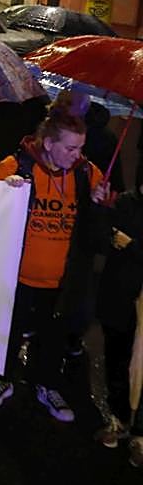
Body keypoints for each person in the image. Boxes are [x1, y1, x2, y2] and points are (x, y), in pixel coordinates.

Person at [0, 93, 111, 421]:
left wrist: (99, 203)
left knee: (53, 337)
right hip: (16, 275)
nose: (77, 155)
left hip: (62, 280)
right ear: (49, 142)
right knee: (7, 332)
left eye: (81, 148)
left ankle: (47, 384)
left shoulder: (86, 173)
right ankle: (0, 378)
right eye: (70, 148)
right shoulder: (15, 166)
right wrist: (3, 192)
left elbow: (100, 230)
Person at [94, 186, 143, 464]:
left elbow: (126, 243)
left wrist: (132, 245)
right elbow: (103, 238)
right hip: (120, 295)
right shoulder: (126, 202)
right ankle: (119, 418)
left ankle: (140, 433)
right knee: (117, 356)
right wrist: (99, 207)